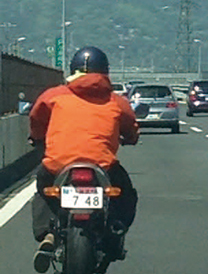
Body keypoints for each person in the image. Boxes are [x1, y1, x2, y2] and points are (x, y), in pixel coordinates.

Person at [29, 46, 140, 273]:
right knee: (126, 193)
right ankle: (116, 227)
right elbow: (131, 128)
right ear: (105, 72)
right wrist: (130, 137)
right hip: (103, 166)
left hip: (59, 165)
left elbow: (36, 118)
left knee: (43, 188)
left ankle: (47, 235)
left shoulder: (53, 95)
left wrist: (37, 137)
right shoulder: (116, 101)